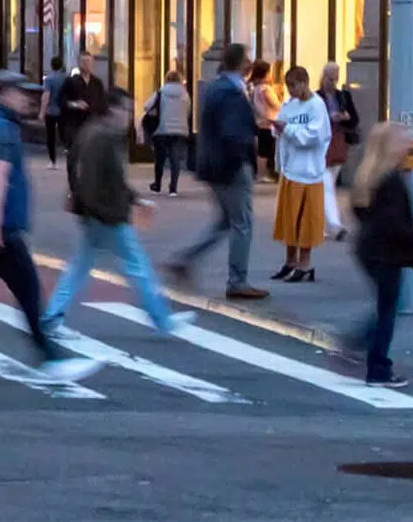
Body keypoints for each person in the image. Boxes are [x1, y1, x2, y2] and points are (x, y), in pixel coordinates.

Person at [0, 70, 100, 382]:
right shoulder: (2, 129)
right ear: (2, 93)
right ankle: (49, 356)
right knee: (27, 291)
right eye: (20, 91)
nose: (28, 97)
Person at [42, 88, 185, 337]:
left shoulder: (93, 132)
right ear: (113, 110)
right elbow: (96, 181)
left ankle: (52, 316)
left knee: (80, 267)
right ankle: (161, 318)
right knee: (137, 265)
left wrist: (134, 200)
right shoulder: (103, 138)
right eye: (125, 110)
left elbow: (96, 176)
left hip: (96, 213)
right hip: (105, 215)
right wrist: (106, 209)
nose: (128, 115)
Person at [169, 43, 266, 300]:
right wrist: (244, 159)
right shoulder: (230, 91)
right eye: (248, 58)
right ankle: (237, 280)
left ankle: (186, 259)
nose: (251, 63)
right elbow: (233, 133)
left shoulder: (217, 87)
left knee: (225, 221)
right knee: (242, 222)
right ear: (241, 63)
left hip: (215, 165)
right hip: (230, 167)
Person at [347, 121, 413, 389]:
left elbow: (362, 213)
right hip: (385, 253)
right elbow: (394, 225)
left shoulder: (369, 177)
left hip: (369, 250)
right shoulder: (390, 182)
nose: (408, 145)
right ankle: (377, 367)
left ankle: (358, 346)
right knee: (388, 311)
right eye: (402, 140)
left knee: (386, 307)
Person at [272, 66, 331, 284]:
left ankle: (305, 263)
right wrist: (277, 127)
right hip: (290, 169)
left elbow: (312, 136)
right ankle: (290, 261)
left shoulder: (317, 106)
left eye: (293, 86)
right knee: (289, 219)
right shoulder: (290, 105)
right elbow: (280, 124)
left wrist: (286, 129)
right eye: (288, 86)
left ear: (304, 83)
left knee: (305, 220)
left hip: (309, 171)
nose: (290, 91)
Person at [320, 64, 359, 241]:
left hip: (338, 142)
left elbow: (354, 119)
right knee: (327, 186)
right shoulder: (316, 97)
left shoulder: (343, 95)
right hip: (321, 145)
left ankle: (320, 223)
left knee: (327, 186)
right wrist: (329, 117)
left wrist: (345, 118)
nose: (333, 82)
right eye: (330, 78)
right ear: (323, 77)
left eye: (335, 78)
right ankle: (335, 226)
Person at [146, 68, 191, 196]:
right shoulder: (185, 95)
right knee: (175, 159)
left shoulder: (161, 92)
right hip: (180, 131)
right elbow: (188, 111)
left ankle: (157, 184)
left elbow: (147, 106)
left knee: (160, 158)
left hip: (162, 129)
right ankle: (173, 188)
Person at [60, 53, 102, 152]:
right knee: (75, 154)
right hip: (75, 125)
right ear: (79, 64)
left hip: (93, 125)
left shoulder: (97, 83)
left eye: (89, 61)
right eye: (84, 61)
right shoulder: (70, 81)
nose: (86, 64)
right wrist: (74, 104)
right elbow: (61, 100)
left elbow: (103, 103)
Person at [248, 61, 278, 182]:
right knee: (265, 150)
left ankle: (260, 174)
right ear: (265, 74)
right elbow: (275, 105)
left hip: (260, 122)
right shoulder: (266, 89)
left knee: (261, 150)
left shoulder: (255, 89)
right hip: (268, 123)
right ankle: (262, 174)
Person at [40, 55, 70, 165]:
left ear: (51, 66)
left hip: (51, 111)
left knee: (51, 136)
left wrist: (42, 112)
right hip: (64, 110)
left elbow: (46, 96)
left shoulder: (49, 79)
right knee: (64, 132)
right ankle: (68, 149)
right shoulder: (67, 78)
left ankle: (52, 161)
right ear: (61, 65)